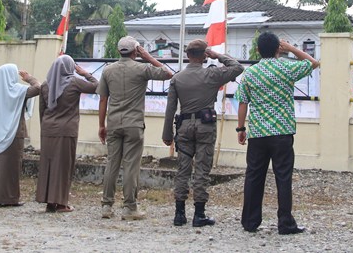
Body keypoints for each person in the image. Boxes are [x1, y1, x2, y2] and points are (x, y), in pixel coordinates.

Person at [235, 32, 319, 235]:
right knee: (283, 177)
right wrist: (291, 48)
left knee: (254, 177)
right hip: (282, 132)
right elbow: (314, 63)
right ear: (277, 49)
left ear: (257, 50)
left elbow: (243, 103)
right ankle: (285, 223)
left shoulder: (250, 73)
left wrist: (241, 128)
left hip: (257, 133)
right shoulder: (286, 68)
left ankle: (250, 221)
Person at [162, 39, 243, 227]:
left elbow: (170, 108)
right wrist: (218, 55)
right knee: (202, 169)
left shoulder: (177, 78)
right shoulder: (212, 74)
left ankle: (179, 214)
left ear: (187, 55)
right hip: (205, 126)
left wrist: (167, 134)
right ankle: (199, 215)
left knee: (183, 169)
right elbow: (237, 67)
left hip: (183, 127)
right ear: (204, 55)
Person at [98, 36, 173, 220]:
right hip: (134, 124)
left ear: (118, 51)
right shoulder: (142, 69)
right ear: (135, 51)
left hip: (114, 123)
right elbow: (167, 73)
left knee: (112, 164)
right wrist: (147, 56)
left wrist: (101, 125)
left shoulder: (108, 71)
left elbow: (102, 99)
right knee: (131, 166)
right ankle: (129, 207)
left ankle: (106, 206)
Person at [36, 54, 98, 212]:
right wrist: (85, 73)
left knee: (48, 166)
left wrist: (45, 127)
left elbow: (42, 111)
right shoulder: (74, 82)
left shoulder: (45, 85)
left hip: (48, 129)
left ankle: (49, 202)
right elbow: (97, 86)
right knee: (63, 166)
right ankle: (62, 203)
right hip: (66, 130)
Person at [0, 63, 41, 207]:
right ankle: (8, 198)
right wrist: (29, 78)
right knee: (11, 166)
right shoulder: (16, 90)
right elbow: (38, 88)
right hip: (14, 132)